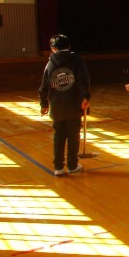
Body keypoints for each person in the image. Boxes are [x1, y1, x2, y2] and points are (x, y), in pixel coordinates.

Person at [39, 34, 91, 176]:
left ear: (53, 48)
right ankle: (72, 165)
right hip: (74, 105)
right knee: (73, 136)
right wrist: (86, 97)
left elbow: (44, 86)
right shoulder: (77, 61)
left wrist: (44, 104)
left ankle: (58, 168)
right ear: (69, 46)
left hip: (57, 106)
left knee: (59, 136)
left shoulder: (50, 64)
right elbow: (83, 80)